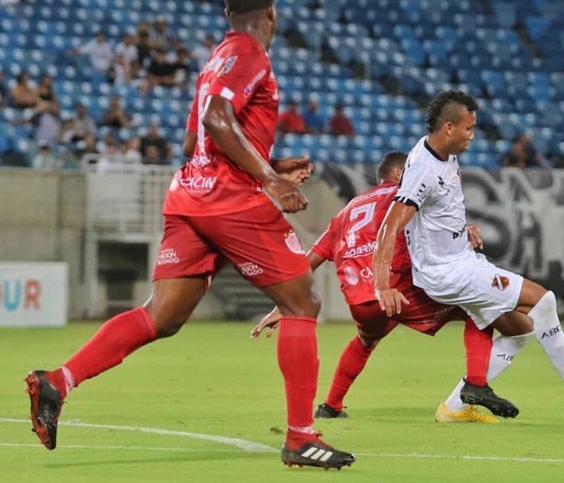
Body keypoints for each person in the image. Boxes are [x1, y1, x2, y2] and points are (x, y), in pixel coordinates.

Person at [24, 0, 355, 471]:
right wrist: (269, 179)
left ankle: (59, 380)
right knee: (303, 302)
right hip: (231, 202)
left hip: (190, 198)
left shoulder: (217, 58)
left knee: (161, 316)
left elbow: (193, 142)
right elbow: (218, 121)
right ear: (271, 12)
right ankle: (301, 438)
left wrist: (273, 163)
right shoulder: (249, 54)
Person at [373, 91, 564, 417]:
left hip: (459, 261)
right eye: (468, 129)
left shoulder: (442, 155)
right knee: (543, 300)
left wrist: (460, 227)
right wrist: (382, 284)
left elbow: (435, 211)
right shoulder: (424, 169)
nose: (472, 136)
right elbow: (390, 225)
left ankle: (453, 408)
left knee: (520, 331)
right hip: (447, 271)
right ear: (449, 128)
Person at [251, 152, 529, 423]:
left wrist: (282, 303)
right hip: (398, 289)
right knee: (476, 304)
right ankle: (477, 384)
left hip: (360, 301)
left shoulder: (348, 210)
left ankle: (331, 405)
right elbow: (435, 224)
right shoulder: (403, 196)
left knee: (365, 341)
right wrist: (463, 229)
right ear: (399, 174)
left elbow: (312, 258)